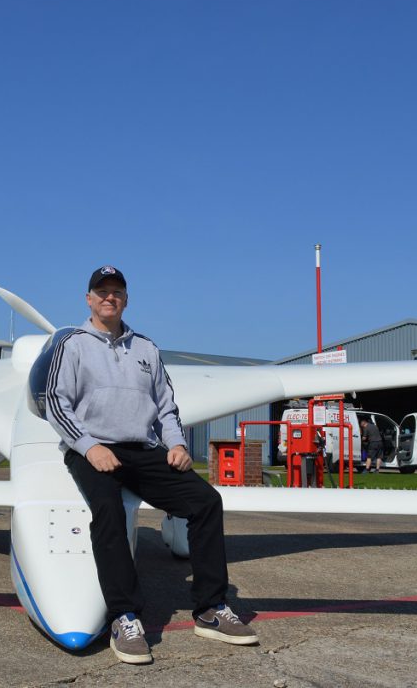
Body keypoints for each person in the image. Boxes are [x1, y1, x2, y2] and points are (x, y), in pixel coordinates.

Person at [45, 265, 259, 665]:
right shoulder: (72, 345)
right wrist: (89, 446)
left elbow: (166, 406)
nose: (110, 297)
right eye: (102, 291)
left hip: (144, 451)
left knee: (206, 501)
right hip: (93, 450)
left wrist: (176, 443)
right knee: (107, 510)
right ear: (89, 299)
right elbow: (57, 403)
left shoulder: (146, 348)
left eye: (117, 291)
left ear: (126, 300)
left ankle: (211, 609)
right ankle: (124, 616)